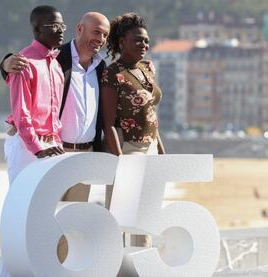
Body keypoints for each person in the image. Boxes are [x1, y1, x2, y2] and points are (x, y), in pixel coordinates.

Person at [0, 11, 110, 264]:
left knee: (71, 225)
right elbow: (23, 67)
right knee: (35, 214)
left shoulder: (101, 66)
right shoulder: (55, 56)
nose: (101, 39)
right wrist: (6, 63)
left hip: (81, 155)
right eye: (96, 32)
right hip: (48, 150)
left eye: (105, 35)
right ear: (80, 29)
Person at [0, 5, 66, 277]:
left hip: (50, 147)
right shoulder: (23, 62)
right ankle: (7, 272)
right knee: (20, 212)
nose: (60, 29)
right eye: (53, 25)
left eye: (62, 24)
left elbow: (54, 113)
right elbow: (22, 113)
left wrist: (54, 143)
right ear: (37, 29)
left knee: (42, 215)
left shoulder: (57, 65)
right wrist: (38, 148)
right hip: (28, 147)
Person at [101, 12, 165, 246]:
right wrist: (119, 161)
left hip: (149, 147)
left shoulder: (148, 68)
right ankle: (110, 264)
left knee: (145, 215)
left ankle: (141, 264)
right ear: (122, 42)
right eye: (137, 40)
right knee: (119, 213)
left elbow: (151, 113)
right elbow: (107, 123)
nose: (144, 44)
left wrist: (159, 148)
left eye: (146, 40)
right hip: (128, 148)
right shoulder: (112, 74)